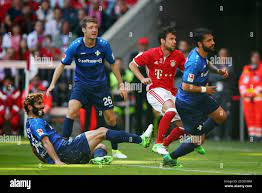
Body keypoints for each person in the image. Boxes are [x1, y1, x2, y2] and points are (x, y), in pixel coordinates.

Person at [46, 17, 129, 159]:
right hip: (81, 86)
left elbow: (113, 64)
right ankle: (62, 146)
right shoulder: (76, 45)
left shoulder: (103, 45)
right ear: (84, 30)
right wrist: (52, 83)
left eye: (95, 27)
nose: (94, 30)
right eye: (90, 27)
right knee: (71, 111)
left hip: (100, 88)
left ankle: (115, 150)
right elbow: (61, 64)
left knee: (111, 120)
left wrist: (121, 84)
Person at [129, 26, 205, 155]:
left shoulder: (178, 55)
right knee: (171, 110)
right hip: (155, 90)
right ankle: (158, 143)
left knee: (184, 125)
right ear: (162, 41)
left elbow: (187, 70)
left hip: (170, 92)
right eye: (171, 39)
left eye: (175, 39)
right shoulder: (151, 53)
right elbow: (132, 64)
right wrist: (142, 78)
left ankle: (164, 145)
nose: (174, 41)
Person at [24, 93, 153, 164]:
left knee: (101, 147)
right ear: (30, 107)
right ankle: (141, 140)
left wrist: (49, 162)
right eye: (39, 104)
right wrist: (57, 161)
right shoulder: (36, 122)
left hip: (67, 154)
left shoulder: (29, 125)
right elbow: (45, 142)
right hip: (66, 150)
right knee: (102, 131)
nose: (43, 106)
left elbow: (34, 150)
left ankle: (97, 159)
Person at [162, 28, 228, 167]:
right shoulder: (194, 62)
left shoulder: (202, 54)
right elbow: (186, 86)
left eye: (212, 39)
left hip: (200, 97)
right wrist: (205, 89)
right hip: (188, 103)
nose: (212, 43)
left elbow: (206, 63)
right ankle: (170, 157)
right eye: (209, 41)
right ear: (199, 43)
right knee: (198, 140)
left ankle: (197, 133)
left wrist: (217, 70)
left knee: (221, 115)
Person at [208, 48, 233, 141]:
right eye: (221, 54)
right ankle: (216, 135)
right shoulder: (214, 64)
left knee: (227, 114)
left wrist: (218, 76)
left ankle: (227, 135)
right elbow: (210, 76)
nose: (222, 56)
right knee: (216, 114)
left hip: (226, 93)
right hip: (216, 93)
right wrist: (221, 75)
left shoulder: (230, 63)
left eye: (224, 54)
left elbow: (228, 74)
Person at [239, 51, 262, 141]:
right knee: (249, 117)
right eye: (253, 57)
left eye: (257, 57)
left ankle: (259, 137)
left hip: (259, 97)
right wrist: (245, 93)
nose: (255, 59)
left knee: (259, 117)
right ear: (251, 58)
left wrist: (254, 92)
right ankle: (252, 137)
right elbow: (242, 82)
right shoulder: (246, 68)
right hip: (247, 98)